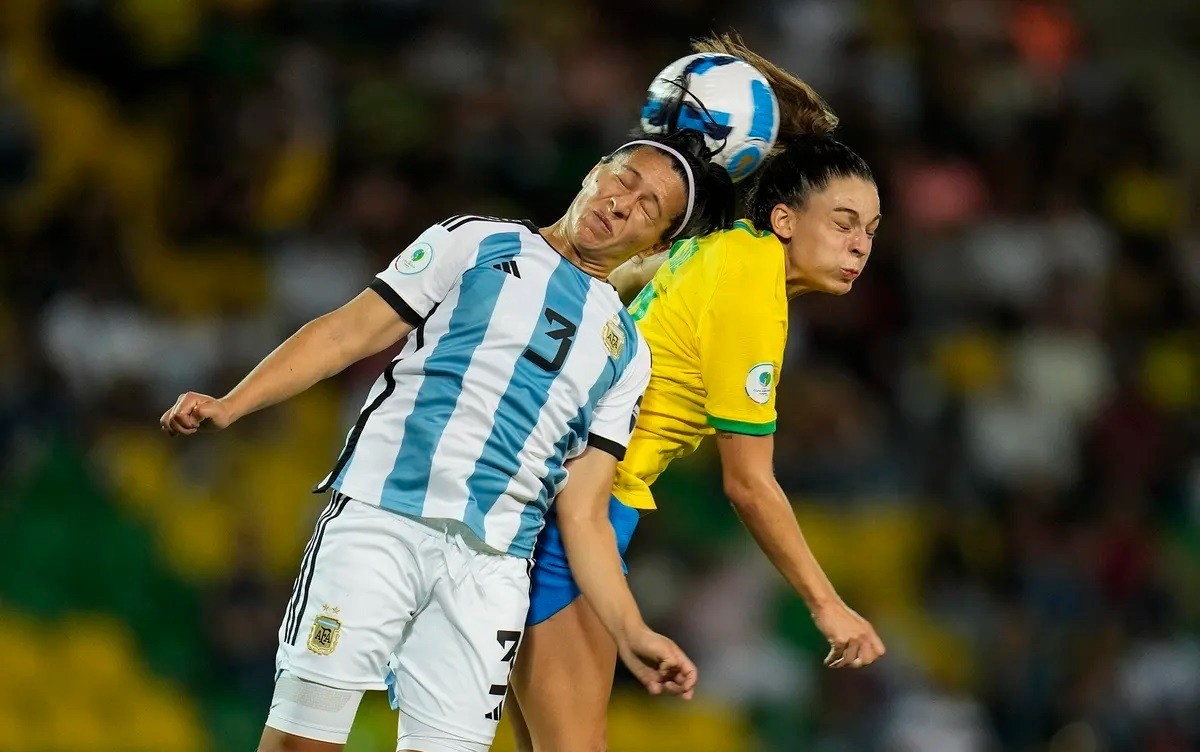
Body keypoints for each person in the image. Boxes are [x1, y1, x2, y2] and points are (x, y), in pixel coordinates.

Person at [159, 129, 734, 752]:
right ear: (595, 171)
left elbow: (584, 513)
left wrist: (631, 630)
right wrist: (232, 403)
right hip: (380, 521)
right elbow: (349, 331)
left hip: (493, 573)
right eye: (624, 178)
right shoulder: (476, 240)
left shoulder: (628, 355)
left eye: (649, 207)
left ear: (659, 243)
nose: (622, 204)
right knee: (302, 743)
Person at [508, 37, 887, 752]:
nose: (860, 246)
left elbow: (606, 286)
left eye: (869, 231)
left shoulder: (711, 250)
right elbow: (749, 485)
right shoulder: (751, 287)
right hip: (579, 511)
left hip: (543, 489)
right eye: (842, 224)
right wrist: (827, 605)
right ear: (784, 219)